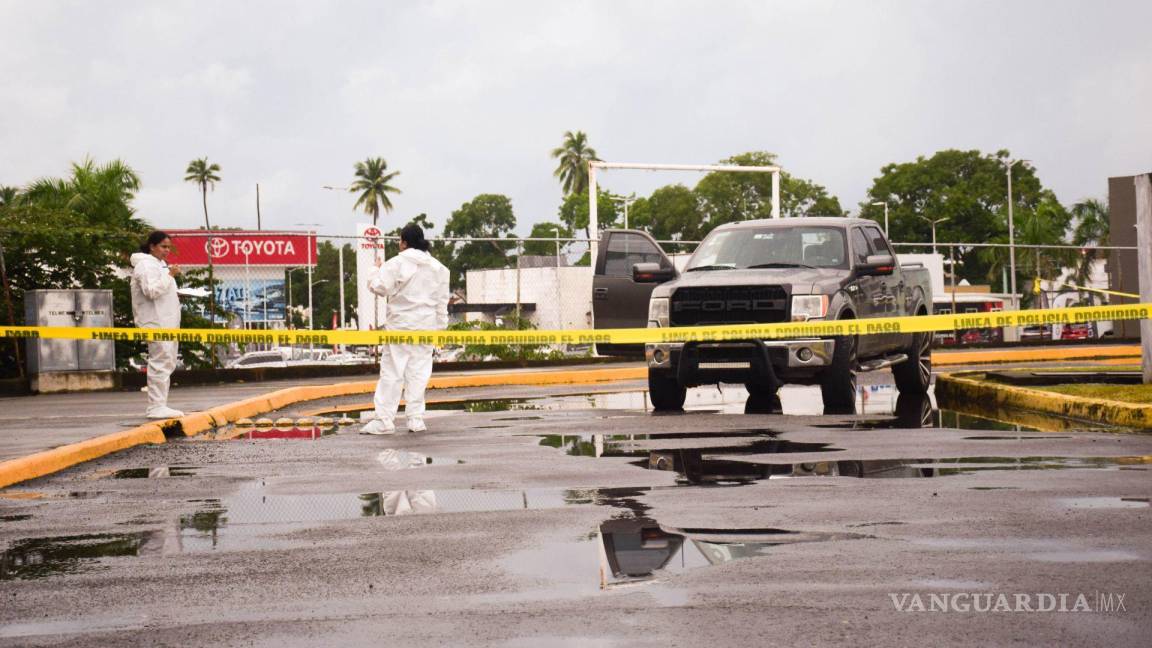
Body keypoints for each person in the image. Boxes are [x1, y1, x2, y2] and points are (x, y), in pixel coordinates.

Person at [361, 223, 450, 435]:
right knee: (419, 373)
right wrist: (440, 329)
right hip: (426, 328)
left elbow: (379, 287)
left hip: (400, 327)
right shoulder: (439, 268)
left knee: (392, 373)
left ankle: (384, 420)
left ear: (404, 242)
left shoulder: (397, 264)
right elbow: (441, 302)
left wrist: (375, 270)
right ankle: (416, 419)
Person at [130, 231, 185, 419]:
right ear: (152, 246)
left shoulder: (159, 265)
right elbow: (151, 291)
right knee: (160, 362)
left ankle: (161, 404)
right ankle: (155, 407)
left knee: (167, 361)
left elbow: (162, 291)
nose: (167, 251)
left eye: (169, 247)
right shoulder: (145, 265)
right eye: (163, 246)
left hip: (167, 322)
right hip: (155, 322)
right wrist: (170, 275)